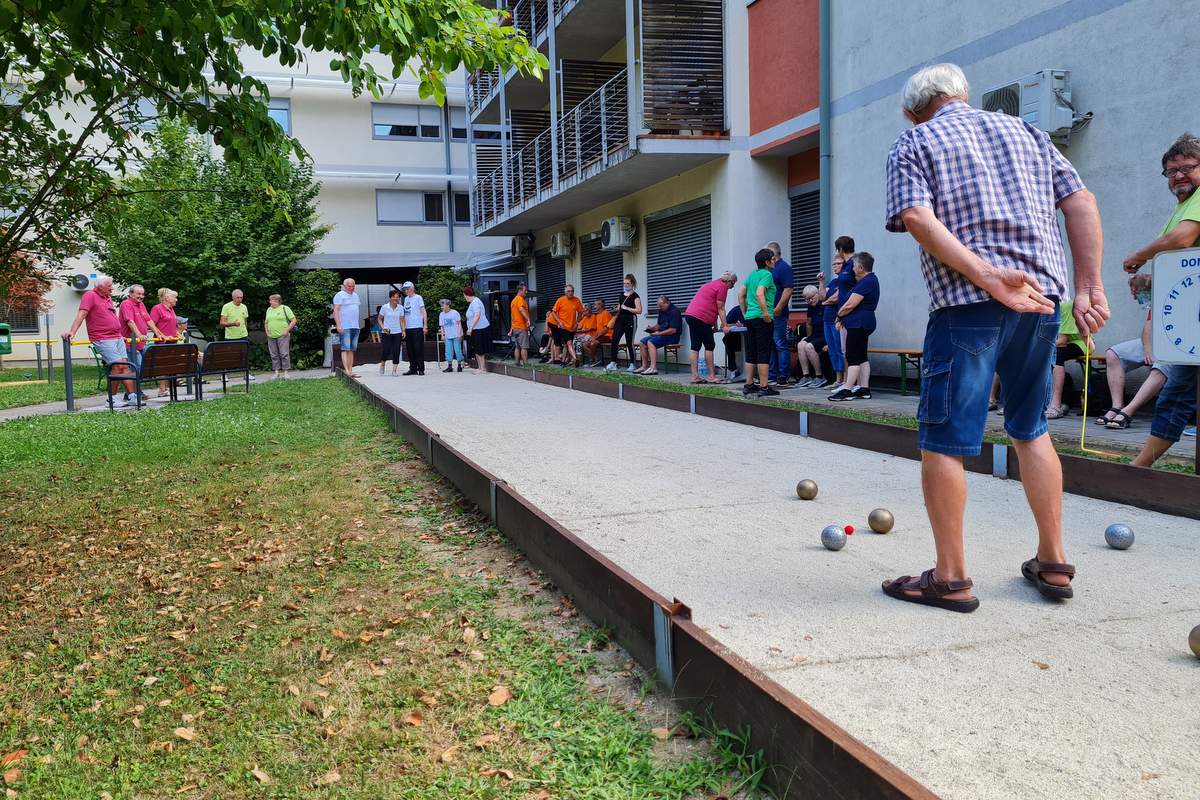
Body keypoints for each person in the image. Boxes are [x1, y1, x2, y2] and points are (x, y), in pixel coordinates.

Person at [882, 63, 1107, 612]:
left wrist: (985, 275)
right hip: (1041, 302)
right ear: (962, 95)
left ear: (914, 110)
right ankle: (1053, 563)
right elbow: (1080, 200)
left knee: (945, 439)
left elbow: (914, 215)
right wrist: (1088, 288)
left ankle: (951, 578)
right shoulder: (1026, 131)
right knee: (1030, 429)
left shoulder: (913, 140)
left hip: (968, 308)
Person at [1127, 133, 1200, 466]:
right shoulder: (1183, 207)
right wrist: (1152, 279)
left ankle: (1139, 469)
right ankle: (1140, 468)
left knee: (1177, 392)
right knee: (1177, 391)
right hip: (1191, 319)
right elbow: (1185, 262)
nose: (1178, 176)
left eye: (1187, 167)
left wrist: (1140, 256)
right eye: (1171, 171)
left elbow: (1183, 240)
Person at [62, 276, 138, 407]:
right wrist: (72, 332)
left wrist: (120, 334)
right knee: (117, 366)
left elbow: (110, 317)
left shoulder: (107, 297)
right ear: (100, 286)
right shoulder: (90, 295)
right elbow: (82, 314)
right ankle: (111, 399)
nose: (112, 288)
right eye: (109, 286)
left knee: (125, 366)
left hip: (117, 337)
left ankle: (132, 396)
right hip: (103, 338)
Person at [831, 253, 881, 401]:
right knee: (862, 357)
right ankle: (864, 389)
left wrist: (839, 316)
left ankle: (847, 389)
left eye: (853, 266)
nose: (852, 269)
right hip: (863, 322)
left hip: (858, 323)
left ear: (860, 267)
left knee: (852, 357)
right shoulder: (870, 280)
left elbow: (850, 304)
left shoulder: (867, 281)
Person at [739, 249, 779, 397]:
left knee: (752, 352)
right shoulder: (767, 274)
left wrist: (744, 312)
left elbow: (741, 293)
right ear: (767, 262)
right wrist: (766, 313)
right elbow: (760, 293)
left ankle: (749, 385)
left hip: (750, 318)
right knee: (763, 352)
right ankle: (764, 386)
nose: (775, 262)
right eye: (773, 260)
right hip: (762, 319)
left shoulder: (752, 275)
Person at [684, 271, 736, 384]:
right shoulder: (722, 287)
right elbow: (720, 308)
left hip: (690, 315)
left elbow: (711, 306)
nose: (732, 287)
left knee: (695, 346)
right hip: (701, 317)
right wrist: (726, 326)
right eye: (733, 284)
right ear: (728, 281)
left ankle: (694, 377)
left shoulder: (711, 284)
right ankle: (712, 376)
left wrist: (716, 326)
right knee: (709, 345)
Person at [1044, 298, 1089, 419]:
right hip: (1056, 343)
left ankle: (1055, 405)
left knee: (1057, 352)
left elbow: (1062, 340)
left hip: (1080, 342)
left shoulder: (1065, 306)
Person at [822, 238, 857, 390]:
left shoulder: (851, 267)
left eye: (838, 263)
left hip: (846, 315)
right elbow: (823, 297)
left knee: (846, 351)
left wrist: (829, 304)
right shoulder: (837, 279)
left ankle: (849, 382)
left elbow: (836, 297)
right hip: (836, 316)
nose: (836, 265)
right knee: (839, 350)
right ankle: (843, 381)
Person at [762, 242, 795, 386]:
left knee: (780, 343)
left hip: (778, 313)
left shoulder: (784, 268)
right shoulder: (770, 269)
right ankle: (772, 374)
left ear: (774, 254)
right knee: (770, 344)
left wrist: (779, 308)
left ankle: (783, 375)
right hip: (767, 312)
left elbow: (788, 290)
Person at [118, 284, 163, 384]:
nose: (141, 296)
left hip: (140, 343)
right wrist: (139, 335)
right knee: (136, 367)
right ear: (130, 294)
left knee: (143, 367)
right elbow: (130, 321)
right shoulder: (126, 304)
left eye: (143, 294)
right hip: (130, 344)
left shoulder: (141, 305)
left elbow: (149, 320)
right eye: (138, 294)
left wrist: (158, 334)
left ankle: (135, 391)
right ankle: (133, 392)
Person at [636, 296, 682, 375]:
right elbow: (659, 325)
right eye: (659, 306)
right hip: (661, 334)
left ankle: (653, 368)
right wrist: (652, 328)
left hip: (672, 336)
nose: (660, 308)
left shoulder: (675, 311)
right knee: (642, 343)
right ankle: (644, 366)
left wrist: (658, 333)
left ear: (667, 303)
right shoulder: (661, 311)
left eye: (661, 306)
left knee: (651, 342)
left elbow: (673, 330)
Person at [149, 288, 182, 396]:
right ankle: (162, 389)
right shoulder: (157, 308)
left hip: (172, 342)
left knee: (170, 365)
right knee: (164, 366)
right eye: (175, 297)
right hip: (162, 342)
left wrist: (177, 333)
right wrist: (160, 335)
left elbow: (173, 325)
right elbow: (151, 324)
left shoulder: (171, 309)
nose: (176, 299)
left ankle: (166, 389)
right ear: (167, 298)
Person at [607, 274, 643, 372]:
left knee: (629, 342)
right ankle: (613, 362)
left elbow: (639, 310)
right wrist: (616, 308)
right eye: (624, 283)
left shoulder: (635, 296)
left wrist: (627, 308)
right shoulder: (621, 294)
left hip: (631, 320)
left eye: (628, 283)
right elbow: (620, 306)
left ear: (632, 284)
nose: (626, 285)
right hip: (620, 319)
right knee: (614, 340)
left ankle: (633, 364)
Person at [796, 285, 828, 388]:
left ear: (817, 294)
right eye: (807, 299)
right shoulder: (810, 307)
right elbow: (809, 323)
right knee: (801, 344)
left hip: (826, 336)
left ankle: (819, 377)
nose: (810, 301)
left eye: (811, 298)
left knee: (809, 346)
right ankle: (806, 376)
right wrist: (808, 337)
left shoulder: (825, 304)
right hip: (816, 335)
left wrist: (829, 343)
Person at [332, 278, 362, 378]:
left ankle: (350, 370)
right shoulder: (339, 295)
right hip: (345, 326)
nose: (351, 288)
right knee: (345, 348)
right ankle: (347, 371)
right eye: (349, 286)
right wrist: (338, 325)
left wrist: (358, 325)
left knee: (352, 349)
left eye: (353, 286)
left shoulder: (356, 295)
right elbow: (335, 310)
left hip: (355, 326)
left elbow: (355, 310)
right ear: (344, 286)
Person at [547, 285, 584, 366]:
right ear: (565, 292)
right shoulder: (561, 300)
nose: (570, 293)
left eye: (572, 291)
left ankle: (564, 361)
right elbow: (553, 312)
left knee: (567, 345)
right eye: (568, 291)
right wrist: (559, 322)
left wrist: (576, 323)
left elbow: (581, 313)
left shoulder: (577, 300)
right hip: (563, 326)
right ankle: (574, 358)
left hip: (572, 327)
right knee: (569, 343)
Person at [264, 294, 297, 379]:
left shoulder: (285, 308)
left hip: (283, 335)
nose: (270, 302)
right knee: (274, 354)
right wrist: (267, 332)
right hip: (271, 336)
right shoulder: (269, 309)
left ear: (277, 301)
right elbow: (266, 322)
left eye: (271, 300)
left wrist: (287, 330)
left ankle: (286, 372)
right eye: (270, 300)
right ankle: (276, 372)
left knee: (284, 354)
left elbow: (294, 320)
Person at [401, 280, 427, 376]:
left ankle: (421, 369)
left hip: (417, 326)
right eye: (405, 289)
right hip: (408, 327)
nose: (406, 291)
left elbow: (423, 311)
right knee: (410, 349)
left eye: (407, 289)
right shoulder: (406, 299)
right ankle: (412, 368)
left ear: (412, 288)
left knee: (418, 348)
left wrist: (425, 325)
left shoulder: (418, 298)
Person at [377, 289, 405, 376]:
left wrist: (403, 330)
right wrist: (383, 328)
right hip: (386, 332)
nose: (395, 299)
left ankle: (394, 370)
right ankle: (382, 364)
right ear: (390, 298)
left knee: (396, 351)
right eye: (394, 297)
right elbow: (379, 319)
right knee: (386, 350)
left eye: (397, 297)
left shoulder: (401, 308)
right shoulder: (385, 307)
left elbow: (402, 320)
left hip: (397, 332)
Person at [577, 300, 613, 366]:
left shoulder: (605, 313)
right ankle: (595, 359)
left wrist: (595, 337)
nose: (594, 306)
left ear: (600, 305)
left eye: (595, 305)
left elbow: (605, 329)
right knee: (584, 345)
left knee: (593, 343)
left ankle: (595, 361)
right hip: (601, 335)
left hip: (608, 335)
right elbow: (597, 329)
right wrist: (595, 336)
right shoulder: (598, 315)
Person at [464, 286, 490, 372]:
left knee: (480, 349)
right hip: (475, 329)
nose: (464, 298)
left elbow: (477, 315)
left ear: (467, 295)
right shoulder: (473, 303)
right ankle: (480, 367)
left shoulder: (476, 302)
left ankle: (483, 368)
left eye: (464, 296)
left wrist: (470, 328)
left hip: (479, 328)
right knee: (476, 348)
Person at [509, 283, 533, 366]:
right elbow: (521, 309)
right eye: (525, 291)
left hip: (515, 327)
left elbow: (512, 316)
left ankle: (517, 362)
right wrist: (528, 319)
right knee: (524, 347)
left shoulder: (513, 301)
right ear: (520, 290)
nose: (526, 292)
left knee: (517, 346)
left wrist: (511, 329)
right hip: (521, 327)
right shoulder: (520, 299)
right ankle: (526, 363)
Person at [439, 298, 465, 373]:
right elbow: (442, 326)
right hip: (448, 335)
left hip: (456, 334)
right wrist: (442, 335)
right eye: (441, 305)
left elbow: (459, 323)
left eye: (443, 305)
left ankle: (459, 365)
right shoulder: (441, 314)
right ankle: (449, 366)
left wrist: (460, 334)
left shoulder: (455, 313)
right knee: (448, 351)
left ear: (447, 305)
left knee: (458, 350)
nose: (441, 307)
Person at [723, 303, 745, 382]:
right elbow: (724, 325)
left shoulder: (754, 309)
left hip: (750, 336)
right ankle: (733, 369)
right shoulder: (736, 310)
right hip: (736, 336)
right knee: (727, 339)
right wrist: (735, 324)